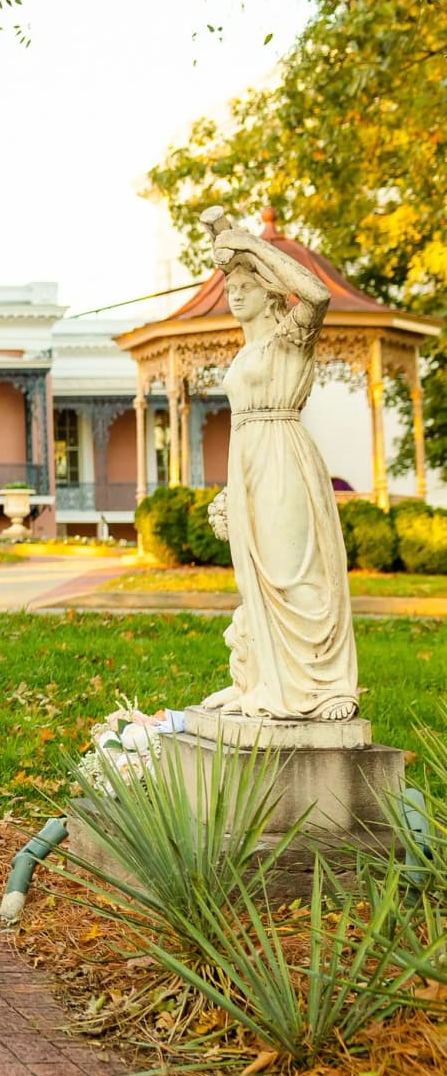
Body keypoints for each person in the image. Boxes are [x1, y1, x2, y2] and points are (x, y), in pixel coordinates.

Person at [199, 209, 358, 720]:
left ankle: (324, 687)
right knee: (256, 579)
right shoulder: (244, 355)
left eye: (246, 286)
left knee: (293, 570)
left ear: (270, 293)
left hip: (283, 457)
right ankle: (261, 681)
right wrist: (233, 489)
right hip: (248, 459)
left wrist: (250, 245)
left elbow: (317, 295)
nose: (234, 295)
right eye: (231, 288)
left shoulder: (290, 338)